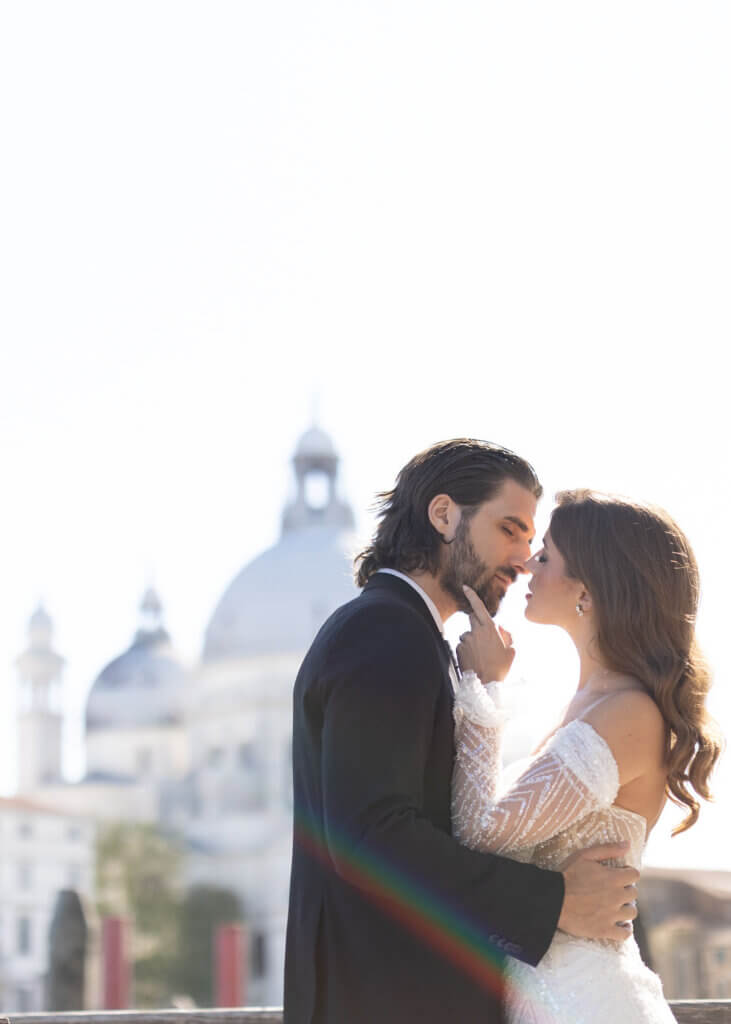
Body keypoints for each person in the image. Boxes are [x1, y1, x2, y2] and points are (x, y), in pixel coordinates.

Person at [284, 442, 639, 1024]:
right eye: (510, 528)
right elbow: (372, 836)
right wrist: (555, 903)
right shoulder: (385, 632)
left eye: (532, 542)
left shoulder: (407, 634)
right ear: (444, 515)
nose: (525, 559)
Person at [453, 489, 723, 1023]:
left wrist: (483, 688)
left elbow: (480, 828)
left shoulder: (628, 713)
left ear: (588, 590)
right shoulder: (590, 704)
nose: (528, 564)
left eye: (547, 555)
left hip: (584, 1003)